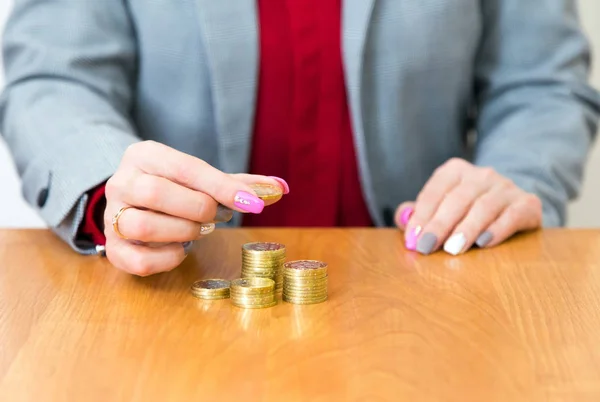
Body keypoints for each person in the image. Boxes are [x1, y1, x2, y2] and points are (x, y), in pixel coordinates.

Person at [1, 0, 599, 276]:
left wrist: (513, 181)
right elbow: (53, 78)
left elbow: (542, 83)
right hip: (174, 288)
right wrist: (114, 192)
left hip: (431, 286)